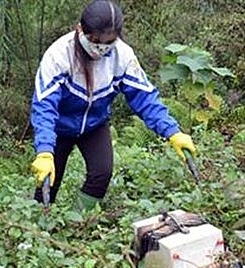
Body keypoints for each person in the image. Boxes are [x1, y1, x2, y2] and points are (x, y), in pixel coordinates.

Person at [30, 0, 197, 211]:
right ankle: (37, 227)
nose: (100, 48)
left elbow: (145, 97)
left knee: (102, 173)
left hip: (95, 124)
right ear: (80, 29)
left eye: (108, 42)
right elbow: (44, 106)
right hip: (59, 127)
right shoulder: (59, 55)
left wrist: (172, 132)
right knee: (48, 180)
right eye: (95, 40)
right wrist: (45, 150)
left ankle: (77, 222)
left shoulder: (123, 56)